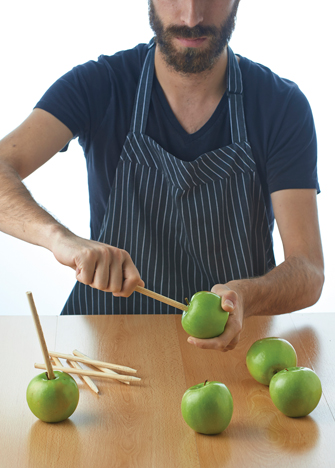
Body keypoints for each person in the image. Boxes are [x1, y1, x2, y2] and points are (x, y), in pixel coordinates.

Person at [0, 0, 324, 352]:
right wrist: (60, 239)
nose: (191, 17)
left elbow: (308, 269)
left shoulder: (281, 106)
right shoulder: (99, 86)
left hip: (234, 352)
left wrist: (248, 297)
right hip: (108, 347)